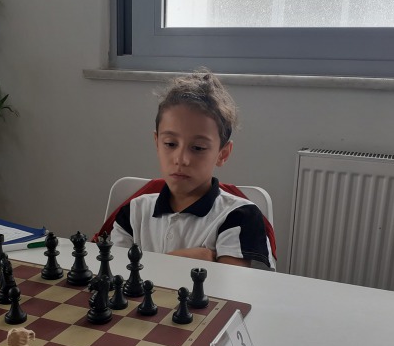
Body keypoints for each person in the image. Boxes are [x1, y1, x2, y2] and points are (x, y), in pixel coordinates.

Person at [110, 70, 275, 269]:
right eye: (170, 144)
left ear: (222, 154)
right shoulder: (133, 212)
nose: (181, 159)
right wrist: (188, 260)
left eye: (198, 148)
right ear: (157, 142)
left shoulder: (240, 216)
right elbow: (114, 275)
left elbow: (229, 287)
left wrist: (149, 265)